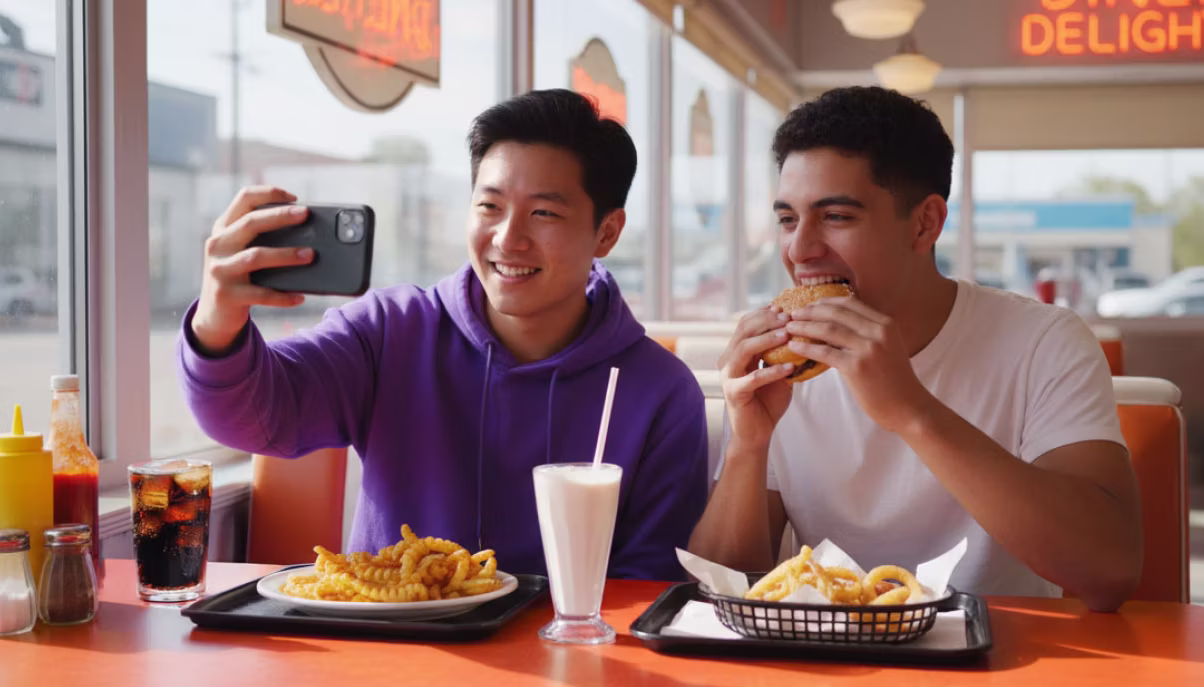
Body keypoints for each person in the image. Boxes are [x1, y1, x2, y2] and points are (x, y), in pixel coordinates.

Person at [177, 89, 708, 580]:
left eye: (543, 212)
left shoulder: (658, 392)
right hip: (392, 655)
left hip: (569, 670)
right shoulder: (390, 333)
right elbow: (258, 416)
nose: (508, 238)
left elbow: (649, 585)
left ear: (607, 232)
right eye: (489, 206)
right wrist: (217, 321)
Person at [688, 86, 1142, 611]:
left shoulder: (1045, 343)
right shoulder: (786, 367)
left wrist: (911, 410)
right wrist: (748, 444)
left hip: (1004, 661)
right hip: (829, 664)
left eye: (836, 217)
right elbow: (718, 592)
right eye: (788, 219)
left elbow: (1111, 569)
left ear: (925, 222)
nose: (799, 249)